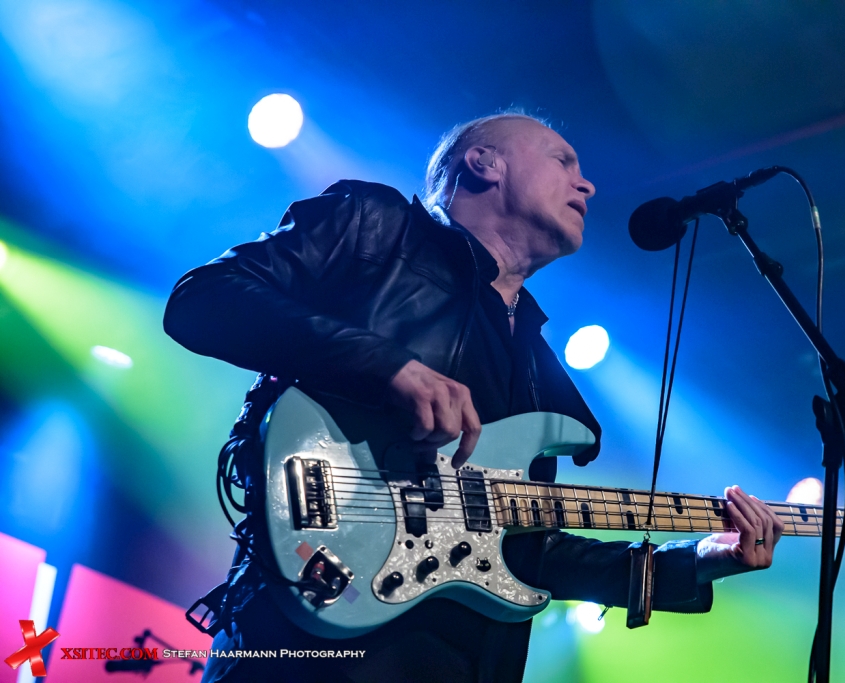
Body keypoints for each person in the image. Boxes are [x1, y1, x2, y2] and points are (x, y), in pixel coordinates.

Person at [163, 112, 784, 683]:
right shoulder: (377, 227)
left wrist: (697, 561)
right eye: (563, 160)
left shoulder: (537, 361)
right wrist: (388, 367)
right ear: (484, 163)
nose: (587, 184)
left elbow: (529, 549)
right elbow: (203, 299)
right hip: (307, 646)